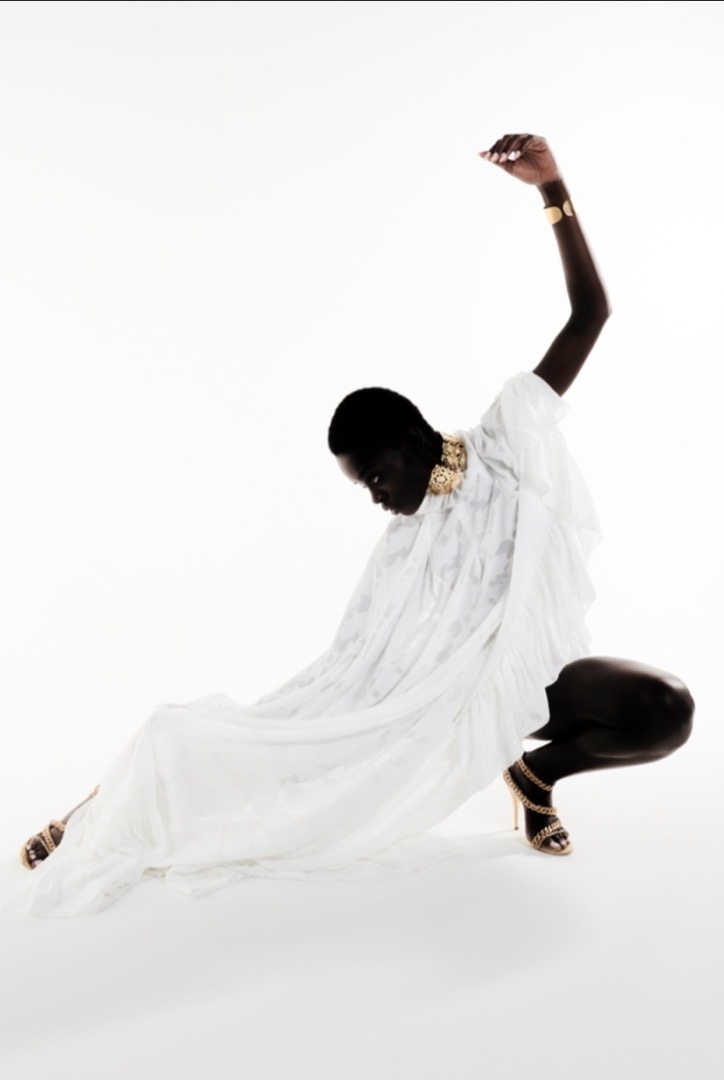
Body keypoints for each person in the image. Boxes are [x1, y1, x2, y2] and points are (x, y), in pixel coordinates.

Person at [8, 133, 694, 916]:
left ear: (412, 441)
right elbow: (339, 678)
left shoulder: (507, 440)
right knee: (196, 739)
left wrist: (553, 189)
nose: (374, 496)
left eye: (374, 476)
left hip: (528, 679)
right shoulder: (401, 548)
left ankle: (535, 775)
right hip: (440, 712)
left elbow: (590, 315)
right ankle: (91, 814)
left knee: (664, 709)